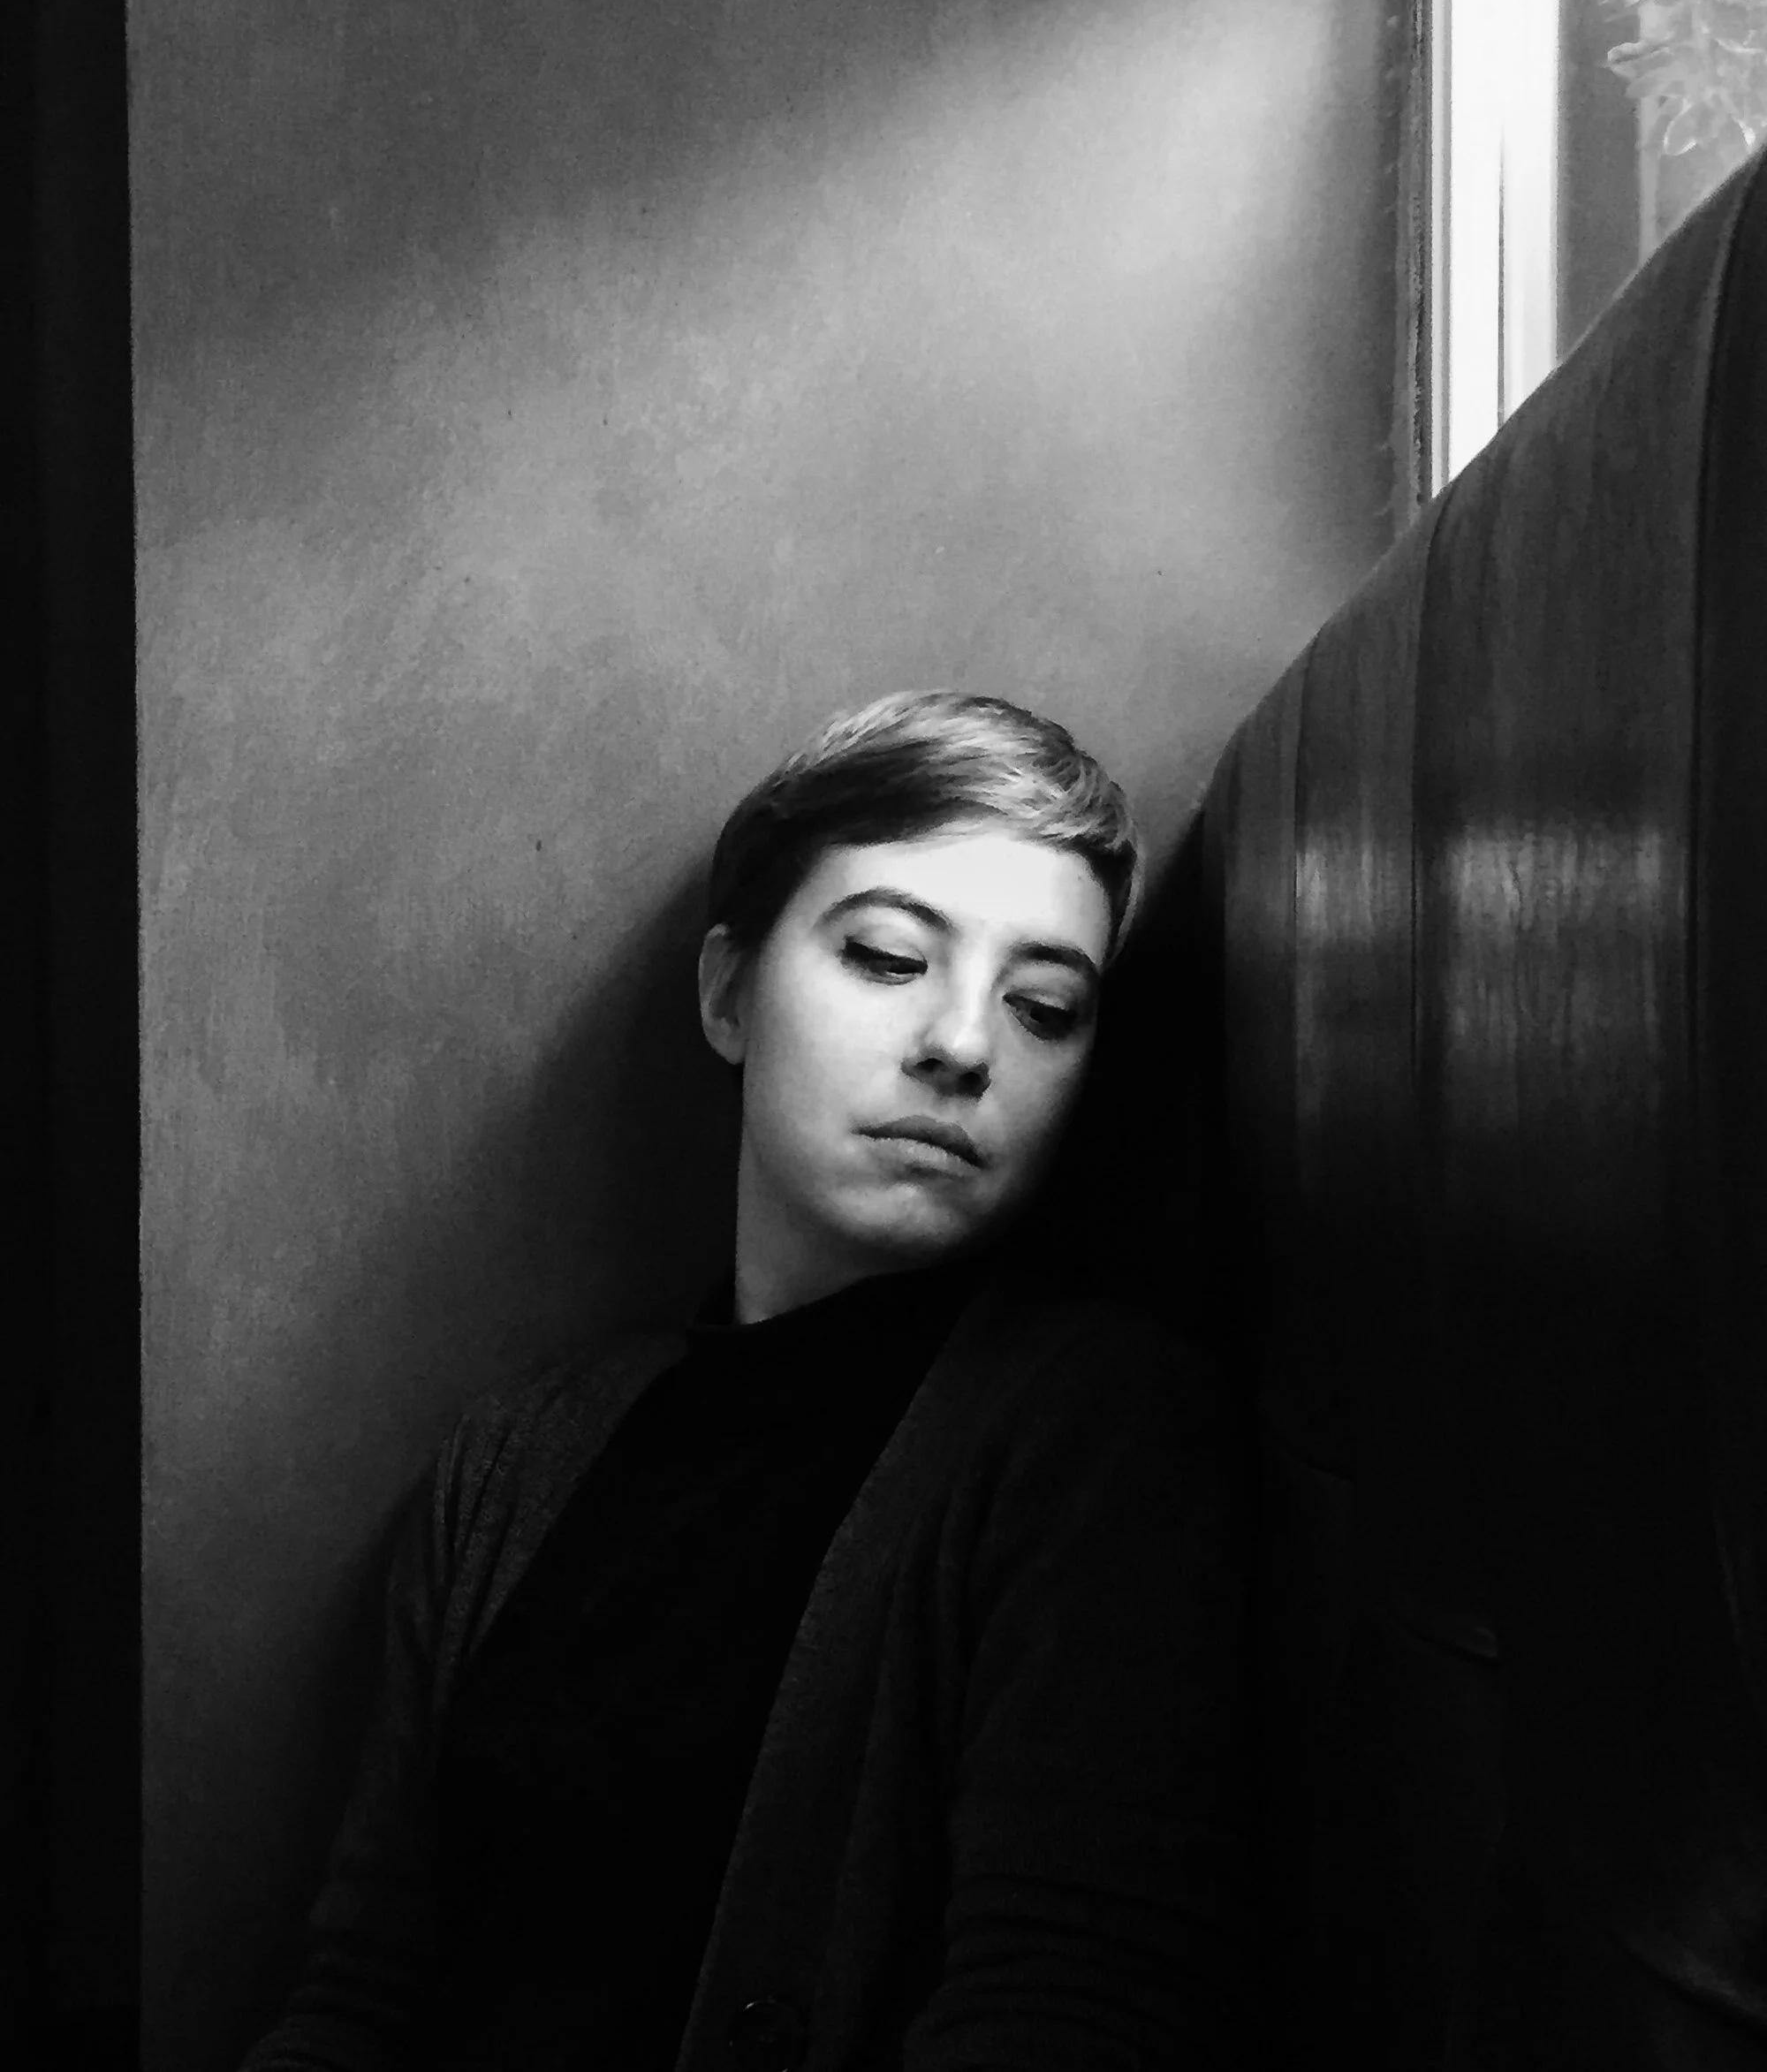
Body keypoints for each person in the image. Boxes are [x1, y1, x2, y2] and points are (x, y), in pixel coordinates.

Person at [240, 690, 1255, 2072]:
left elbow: (1069, 2008)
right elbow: (361, 1992)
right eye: (889, 956)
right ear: (730, 993)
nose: (966, 1045)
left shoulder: (1098, 1436)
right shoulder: (513, 1462)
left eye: (1045, 1007)